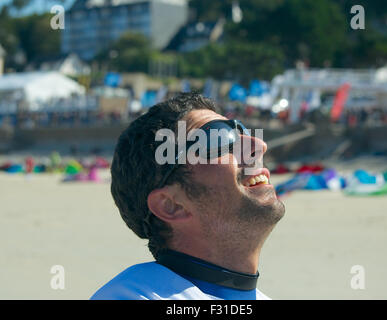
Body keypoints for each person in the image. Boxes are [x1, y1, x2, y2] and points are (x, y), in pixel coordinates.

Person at [90, 93, 285, 300]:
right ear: (171, 205)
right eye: (218, 137)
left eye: (242, 131)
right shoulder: (132, 295)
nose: (258, 146)